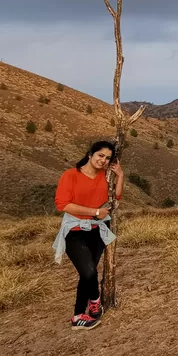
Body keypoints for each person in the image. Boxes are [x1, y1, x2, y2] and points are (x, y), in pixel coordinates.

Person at [53, 141, 124, 330]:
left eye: (107, 158)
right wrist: (94, 211)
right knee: (89, 271)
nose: (103, 160)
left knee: (87, 274)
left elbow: (115, 198)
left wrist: (120, 176)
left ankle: (82, 312)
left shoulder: (105, 176)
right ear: (90, 154)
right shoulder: (71, 175)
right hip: (75, 230)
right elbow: (62, 204)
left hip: (98, 228)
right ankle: (92, 302)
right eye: (100, 155)